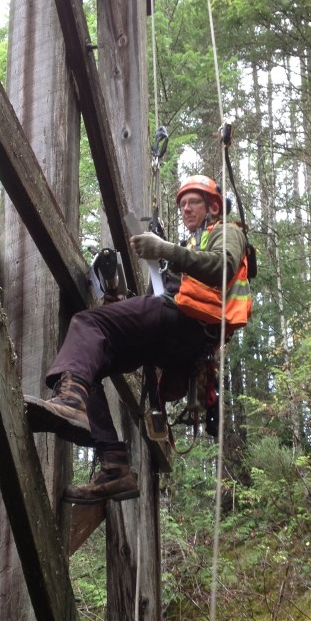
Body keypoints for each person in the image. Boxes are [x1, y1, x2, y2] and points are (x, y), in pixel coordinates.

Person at [43, 174, 252, 504]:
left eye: (193, 202)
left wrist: (166, 249)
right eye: (182, 204)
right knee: (90, 364)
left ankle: (70, 402)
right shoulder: (195, 243)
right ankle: (115, 466)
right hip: (177, 336)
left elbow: (223, 267)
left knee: (86, 324)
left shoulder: (227, 231)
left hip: (184, 323)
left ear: (213, 206)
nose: (185, 209)